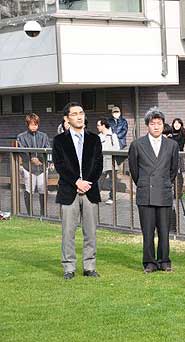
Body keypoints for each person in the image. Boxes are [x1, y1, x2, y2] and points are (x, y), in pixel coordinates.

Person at [52, 102, 103, 280]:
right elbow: (60, 166)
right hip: (69, 190)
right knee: (68, 231)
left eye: (81, 113)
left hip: (90, 190)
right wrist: (76, 182)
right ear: (67, 118)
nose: (79, 116)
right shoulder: (59, 141)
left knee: (90, 231)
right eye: (74, 114)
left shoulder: (94, 139)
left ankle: (90, 266)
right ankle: (69, 268)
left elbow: (98, 165)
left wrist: (86, 183)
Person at [129, 107, 179, 274]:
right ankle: (149, 262)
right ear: (147, 126)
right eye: (153, 123)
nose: (156, 126)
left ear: (163, 125)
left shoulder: (172, 145)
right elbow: (134, 171)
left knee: (164, 230)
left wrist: (165, 182)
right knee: (148, 231)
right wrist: (144, 183)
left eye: (159, 123)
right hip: (146, 192)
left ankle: (164, 261)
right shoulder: (137, 145)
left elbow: (173, 170)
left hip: (164, 190)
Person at [17, 113, 52, 216]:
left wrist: (45, 161)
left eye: (36, 124)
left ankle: (43, 213)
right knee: (29, 190)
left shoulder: (44, 136)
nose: (34, 126)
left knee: (42, 189)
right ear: (27, 124)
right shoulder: (21, 137)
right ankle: (29, 214)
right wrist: (32, 159)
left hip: (42, 167)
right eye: (32, 124)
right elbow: (22, 150)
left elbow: (48, 149)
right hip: (29, 168)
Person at [96, 118, 120, 205]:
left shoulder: (113, 136)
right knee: (99, 179)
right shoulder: (99, 137)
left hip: (112, 160)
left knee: (112, 180)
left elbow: (117, 148)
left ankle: (111, 197)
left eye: (98, 125)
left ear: (103, 125)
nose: (97, 127)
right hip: (102, 160)